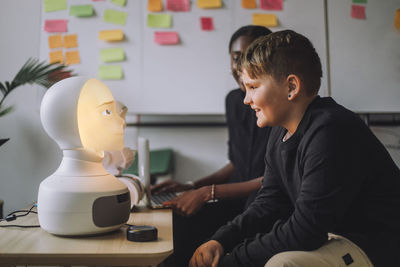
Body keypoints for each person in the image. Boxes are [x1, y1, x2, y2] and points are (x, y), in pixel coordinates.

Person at [189, 30, 400, 267]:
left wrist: (231, 261)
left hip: (372, 246)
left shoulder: (330, 131)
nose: (246, 99)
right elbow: (268, 203)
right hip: (332, 239)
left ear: (291, 87)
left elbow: (304, 231)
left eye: (253, 87)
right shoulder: (279, 133)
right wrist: (220, 241)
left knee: (283, 264)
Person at [151, 25, 272, 267]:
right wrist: (192, 186)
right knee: (177, 221)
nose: (241, 66)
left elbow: (273, 180)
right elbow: (237, 164)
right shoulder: (233, 101)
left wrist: (208, 192)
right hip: (237, 198)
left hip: (262, 202)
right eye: (237, 57)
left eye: (250, 56)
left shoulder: (276, 104)